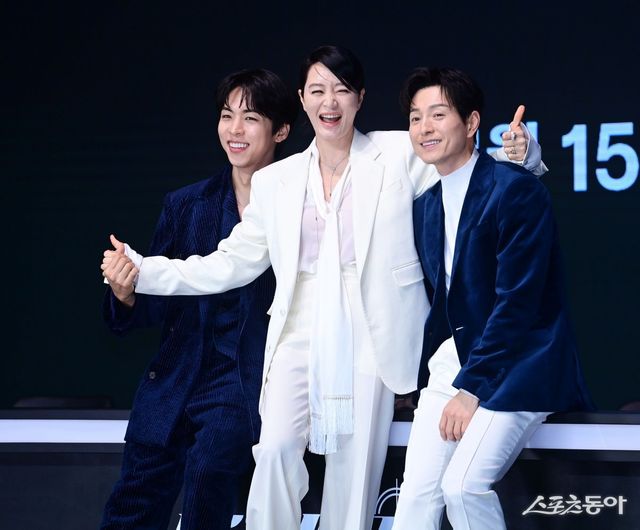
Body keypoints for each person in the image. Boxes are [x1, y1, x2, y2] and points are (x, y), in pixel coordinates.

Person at [101, 46, 543, 530]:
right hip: (299, 328)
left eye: (341, 90)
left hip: (372, 329)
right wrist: (144, 271)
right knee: (274, 451)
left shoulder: (396, 153)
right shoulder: (277, 180)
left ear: (359, 99)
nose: (329, 102)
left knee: (354, 477)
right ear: (302, 99)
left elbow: (466, 167)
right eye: (317, 90)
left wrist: (520, 156)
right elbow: (228, 263)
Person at [391, 67, 594, 530]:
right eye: (416, 117)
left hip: (522, 364)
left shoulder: (515, 189)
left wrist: (471, 389)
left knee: (462, 487)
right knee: (415, 501)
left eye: (438, 114)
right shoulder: (425, 206)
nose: (424, 127)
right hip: (457, 362)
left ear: (472, 122)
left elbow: (517, 303)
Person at [99, 68, 296, 530]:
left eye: (251, 118)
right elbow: (155, 298)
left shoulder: (302, 208)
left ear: (281, 131)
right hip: (174, 378)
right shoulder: (187, 205)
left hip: (243, 383)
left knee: (208, 482)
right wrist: (125, 292)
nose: (235, 130)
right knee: (132, 503)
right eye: (227, 116)